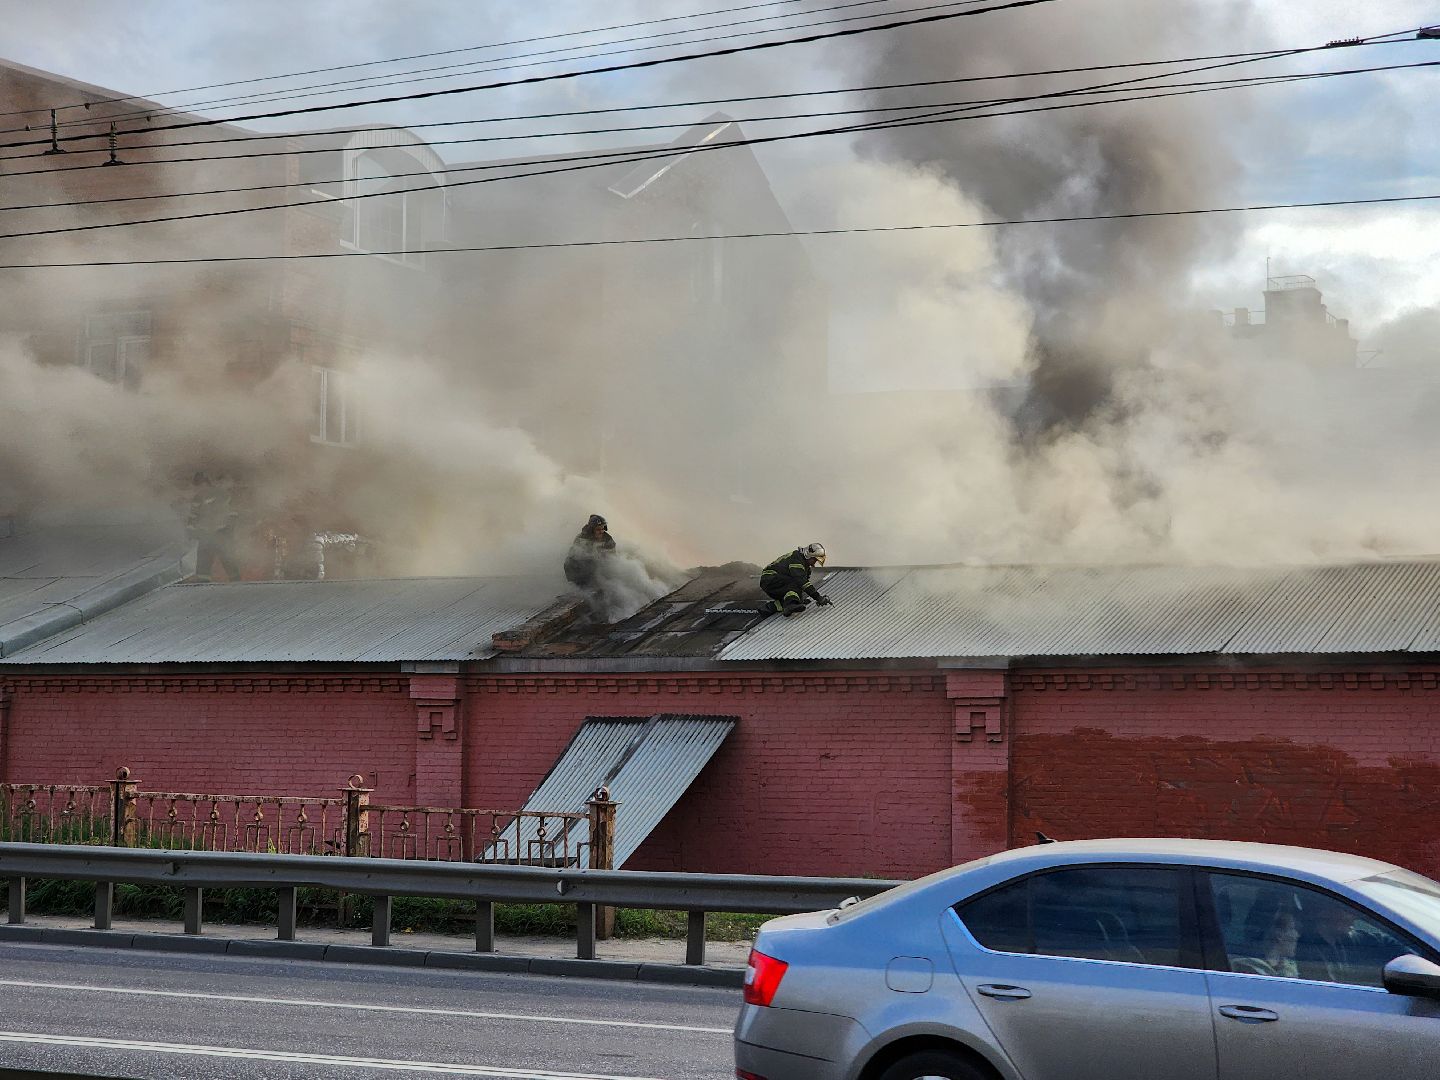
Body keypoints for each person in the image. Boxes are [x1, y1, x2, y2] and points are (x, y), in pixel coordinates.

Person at [186, 472, 242, 582]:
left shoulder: (222, 494)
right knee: (203, 565)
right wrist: (192, 532)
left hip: (220, 534)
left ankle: (237, 585)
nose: (198, 488)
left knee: (228, 561)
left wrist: (227, 532)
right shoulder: (199, 497)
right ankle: (204, 586)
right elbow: (192, 518)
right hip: (207, 536)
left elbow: (233, 514)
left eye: (199, 485)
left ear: (205, 483)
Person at [1231, 894, 1300, 979]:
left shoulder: (1290, 969)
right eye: (1292, 929)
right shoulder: (1248, 970)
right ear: (1279, 935)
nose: (1297, 935)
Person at [760, 543, 833, 617]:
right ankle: (790, 605)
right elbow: (802, 582)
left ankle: (769, 607)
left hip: (776, 583)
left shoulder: (805, 568)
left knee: (797, 600)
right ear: (808, 555)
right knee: (797, 583)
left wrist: (799, 600)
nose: (815, 562)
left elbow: (801, 587)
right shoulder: (797, 558)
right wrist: (818, 597)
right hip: (770, 578)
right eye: (814, 559)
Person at [564, 514, 616, 591]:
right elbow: (573, 555)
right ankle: (578, 587)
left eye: (602, 529)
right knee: (569, 563)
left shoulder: (608, 539)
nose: (601, 531)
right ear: (592, 529)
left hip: (602, 568)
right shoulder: (581, 538)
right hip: (584, 568)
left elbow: (613, 557)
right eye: (598, 529)